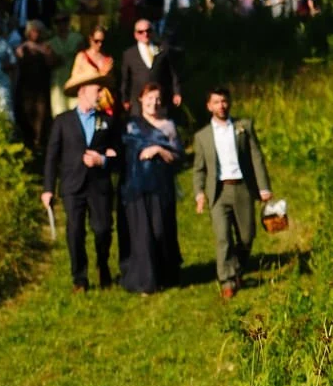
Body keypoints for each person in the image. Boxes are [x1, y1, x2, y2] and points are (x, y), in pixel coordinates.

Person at [191, 85, 275, 301]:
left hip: (242, 188)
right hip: (219, 191)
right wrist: (199, 193)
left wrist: (264, 187)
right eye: (217, 102)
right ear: (209, 106)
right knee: (223, 237)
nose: (222, 106)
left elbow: (257, 157)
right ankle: (227, 279)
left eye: (225, 101)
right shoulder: (202, 136)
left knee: (247, 237)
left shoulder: (243, 127)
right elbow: (199, 168)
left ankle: (236, 267)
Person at [39, 76, 120, 291]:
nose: (101, 94)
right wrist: (48, 188)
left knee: (102, 229)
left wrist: (102, 160)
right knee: (75, 232)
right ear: (83, 91)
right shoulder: (62, 121)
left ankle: (102, 265)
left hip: (99, 185)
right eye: (97, 89)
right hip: (72, 185)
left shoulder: (108, 121)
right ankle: (80, 278)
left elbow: (119, 155)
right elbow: (51, 156)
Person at [118, 84, 184, 295]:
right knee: (142, 235)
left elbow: (178, 157)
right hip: (136, 186)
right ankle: (145, 282)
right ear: (140, 99)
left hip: (161, 187)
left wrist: (158, 150)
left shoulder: (168, 126)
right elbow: (124, 153)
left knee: (160, 231)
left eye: (157, 98)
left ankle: (165, 275)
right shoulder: (130, 126)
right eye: (149, 98)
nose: (153, 103)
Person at [116, 15, 178, 114]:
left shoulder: (162, 50)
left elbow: (172, 73)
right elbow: (125, 79)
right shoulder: (129, 54)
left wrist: (176, 93)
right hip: (137, 102)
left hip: (159, 101)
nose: (145, 34)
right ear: (135, 35)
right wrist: (125, 99)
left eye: (148, 31)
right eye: (141, 32)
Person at [12, 20, 57, 153]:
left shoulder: (47, 47)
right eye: (32, 31)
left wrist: (43, 52)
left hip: (41, 87)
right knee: (26, 113)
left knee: (42, 114)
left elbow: (52, 63)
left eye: (38, 31)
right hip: (26, 87)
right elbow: (16, 65)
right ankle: (28, 142)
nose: (35, 34)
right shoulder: (22, 48)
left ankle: (40, 142)